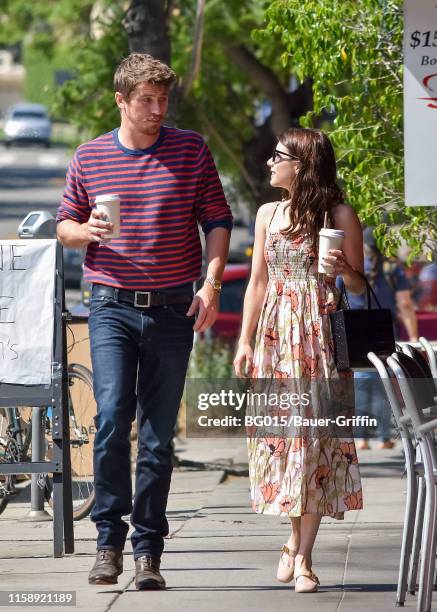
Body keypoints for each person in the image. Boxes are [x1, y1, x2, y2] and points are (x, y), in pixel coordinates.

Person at [56, 53, 232, 590]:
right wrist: (84, 232)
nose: (157, 109)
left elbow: (218, 221)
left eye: (163, 100)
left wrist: (212, 284)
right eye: (146, 100)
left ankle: (148, 552)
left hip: (175, 308)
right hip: (110, 305)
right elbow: (64, 224)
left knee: (157, 437)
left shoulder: (190, 149)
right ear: (121, 101)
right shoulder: (89, 157)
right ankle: (107, 542)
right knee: (111, 417)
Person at [233, 127, 365, 594]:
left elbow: (361, 287)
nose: (270, 162)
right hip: (275, 338)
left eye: (278, 156)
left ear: (302, 165)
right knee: (285, 443)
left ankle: (304, 557)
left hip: (320, 338)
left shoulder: (340, 214)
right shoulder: (268, 213)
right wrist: (245, 341)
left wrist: (343, 270)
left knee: (315, 445)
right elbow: (257, 283)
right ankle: (293, 542)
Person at [345, 227, 418, 450]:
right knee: (385, 387)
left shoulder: (350, 267)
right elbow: (405, 304)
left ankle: (361, 437)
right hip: (384, 332)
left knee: (360, 387)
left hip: (355, 333)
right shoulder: (393, 269)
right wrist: (413, 335)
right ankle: (385, 437)